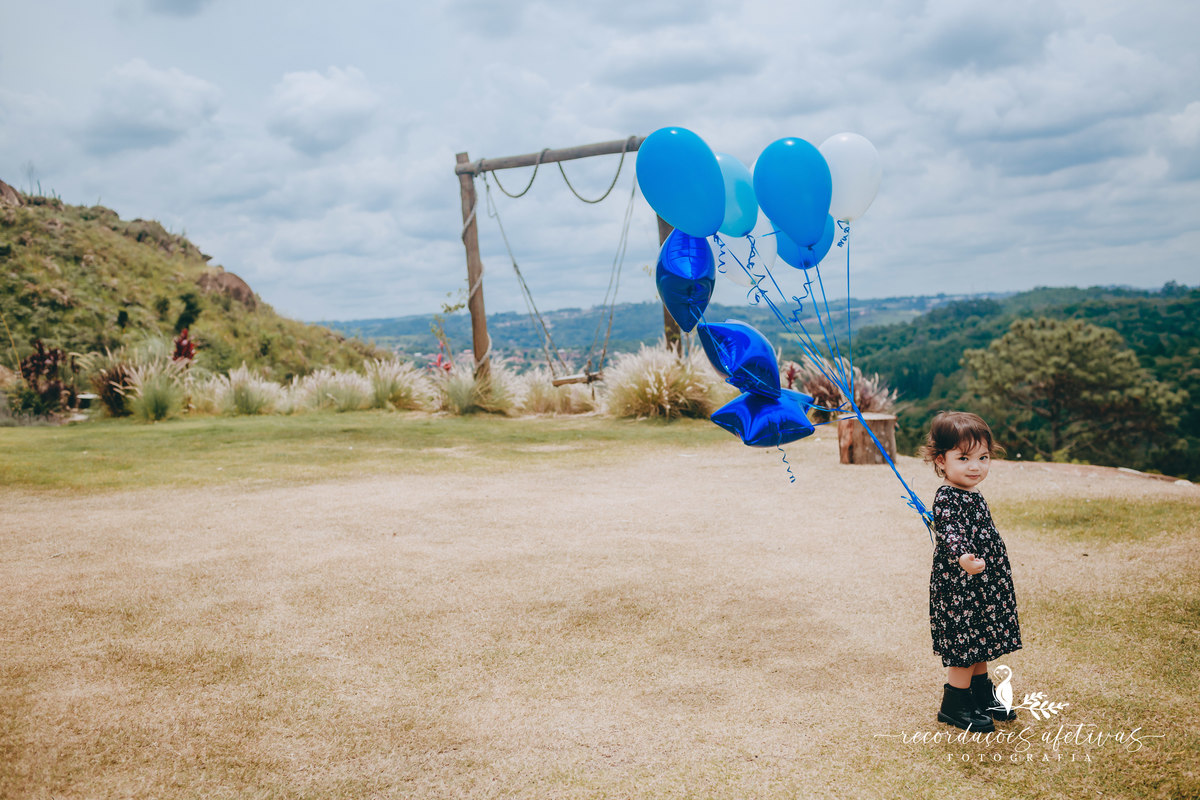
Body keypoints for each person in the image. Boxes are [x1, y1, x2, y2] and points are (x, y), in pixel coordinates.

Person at [920, 411, 1022, 732]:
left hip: (983, 583)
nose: (975, 466)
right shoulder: (947, 497)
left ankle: (980, 691)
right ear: (941, 461)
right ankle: (955, 703)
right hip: (959, 584)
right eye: (963, 458)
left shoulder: (973, 494)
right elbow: (950, 532)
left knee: (980, 636)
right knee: (964, 642)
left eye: (983, 457)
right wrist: (964, 557)